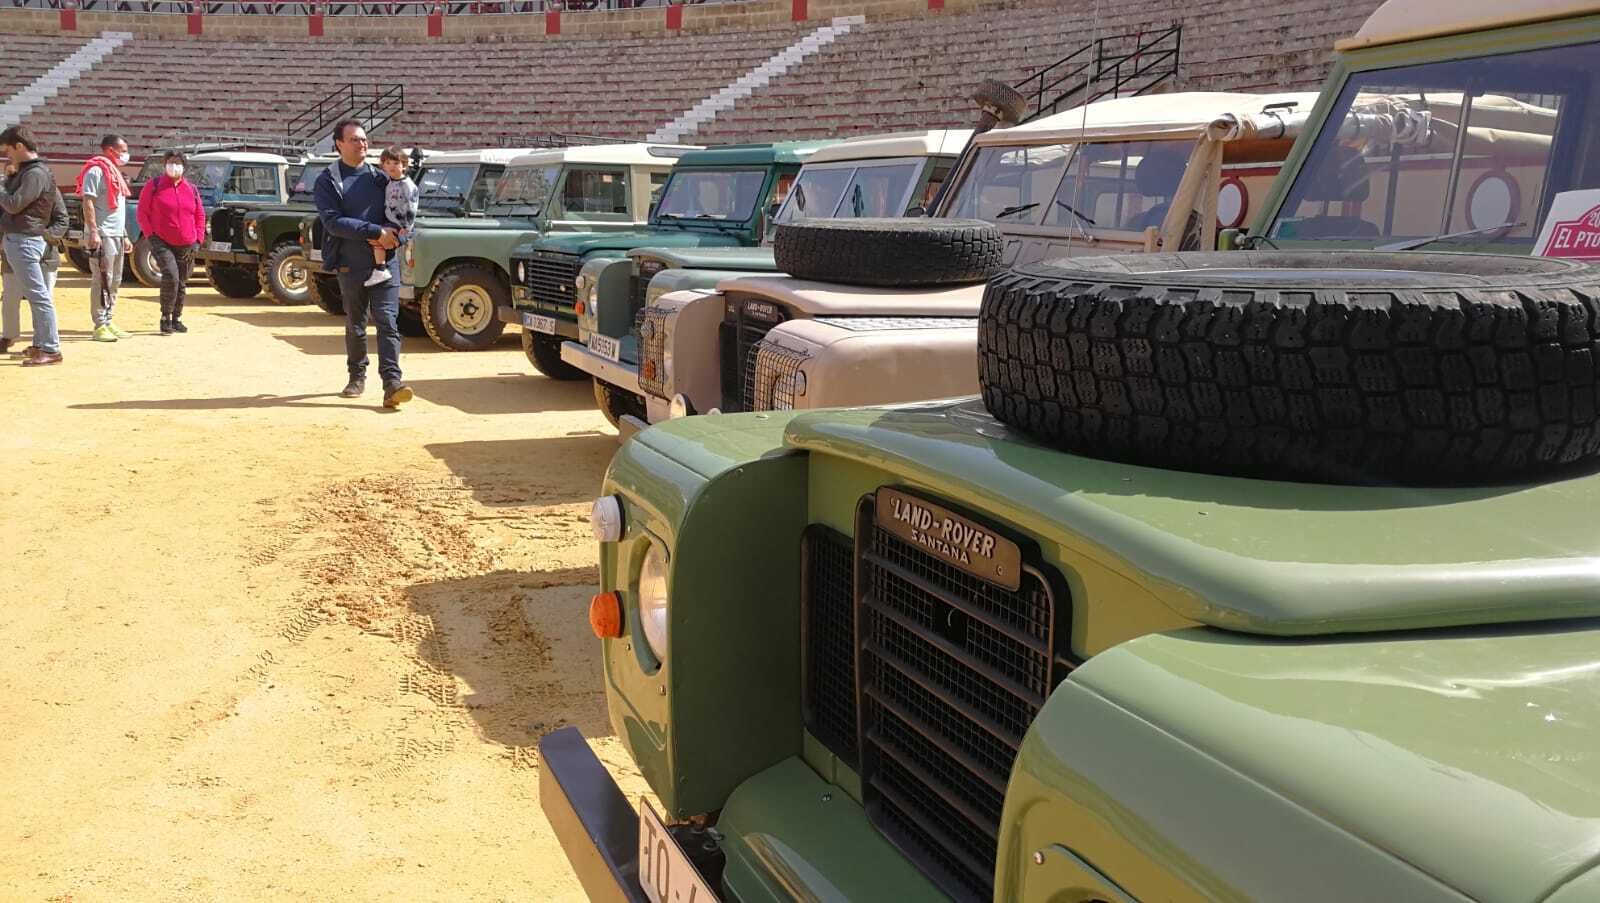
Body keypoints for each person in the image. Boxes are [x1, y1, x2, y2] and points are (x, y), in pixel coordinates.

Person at [314, 120, 412, 408]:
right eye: (355, 140)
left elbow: (401, 209)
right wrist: (374, 232)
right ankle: (356, 376)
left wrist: (397, 236)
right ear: (339, 145)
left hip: (385, 262)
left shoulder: (379, 177)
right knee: (356, 323)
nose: (363, 144)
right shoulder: (328, 180)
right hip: (350, 263)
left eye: (365, 140)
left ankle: (392, 383)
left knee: (387, 320)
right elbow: (332, 222)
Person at [0, 125, 64, 366]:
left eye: (8, 151)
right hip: (22, 238)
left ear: (19, 146)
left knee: (38, 296)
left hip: (25, 239)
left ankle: (50, 348)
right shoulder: (30, 172)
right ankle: (42, 345)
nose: (8, 157)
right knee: (37, 295)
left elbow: (15, 204)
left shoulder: (35, 173)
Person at [136, 150, 205, 335]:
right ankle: (165, 317)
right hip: (161, 241)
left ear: (184, 166)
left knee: (182, 281)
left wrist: (198, 239)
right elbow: (142, 212)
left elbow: (199, 215)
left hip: (188, 243)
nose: (174, 166)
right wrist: (150, 235)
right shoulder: (154, 185)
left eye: (177, 162)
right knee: (171, 277)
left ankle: (177, 318)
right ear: (165, 164)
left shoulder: (191, 189)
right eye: (170, 162)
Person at [76, 133, 133, 342]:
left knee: (115, 280)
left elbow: (118, 209)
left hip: (116, 234)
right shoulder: (96, 171)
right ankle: (99, 324)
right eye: (123, 150)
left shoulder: (114, 173)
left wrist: (125, 234)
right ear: (111, 150)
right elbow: (88, 202)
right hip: (102, 234)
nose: (126, 154)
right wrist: (93, 230)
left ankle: (108, 320)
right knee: (102, 279)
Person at [366, 144, 417, 288]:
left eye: (396, 163)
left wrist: (406, 227)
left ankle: (381, 269)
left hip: (399, 224)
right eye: (388, 163)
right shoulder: (388, 182)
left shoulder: (408, 185)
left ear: (404, 165)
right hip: (389, 219)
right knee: (373, 237)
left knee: (376, 239)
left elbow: (412, 207)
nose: (391, 166)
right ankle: (380, 268)